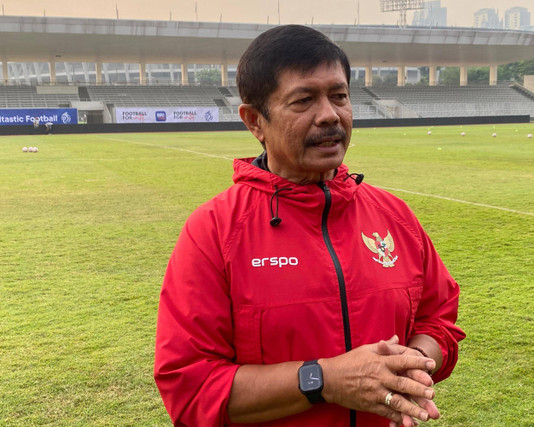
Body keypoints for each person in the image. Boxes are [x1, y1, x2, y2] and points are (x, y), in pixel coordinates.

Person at [154, 25, 465, 427]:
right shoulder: (214, 232)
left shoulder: (394, 216)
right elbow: (190, 387)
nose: (329, 115)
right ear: (254, 122)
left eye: (339, 96)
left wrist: (414, 362)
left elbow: (438, 318)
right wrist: (324, 380)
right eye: (303, 100)